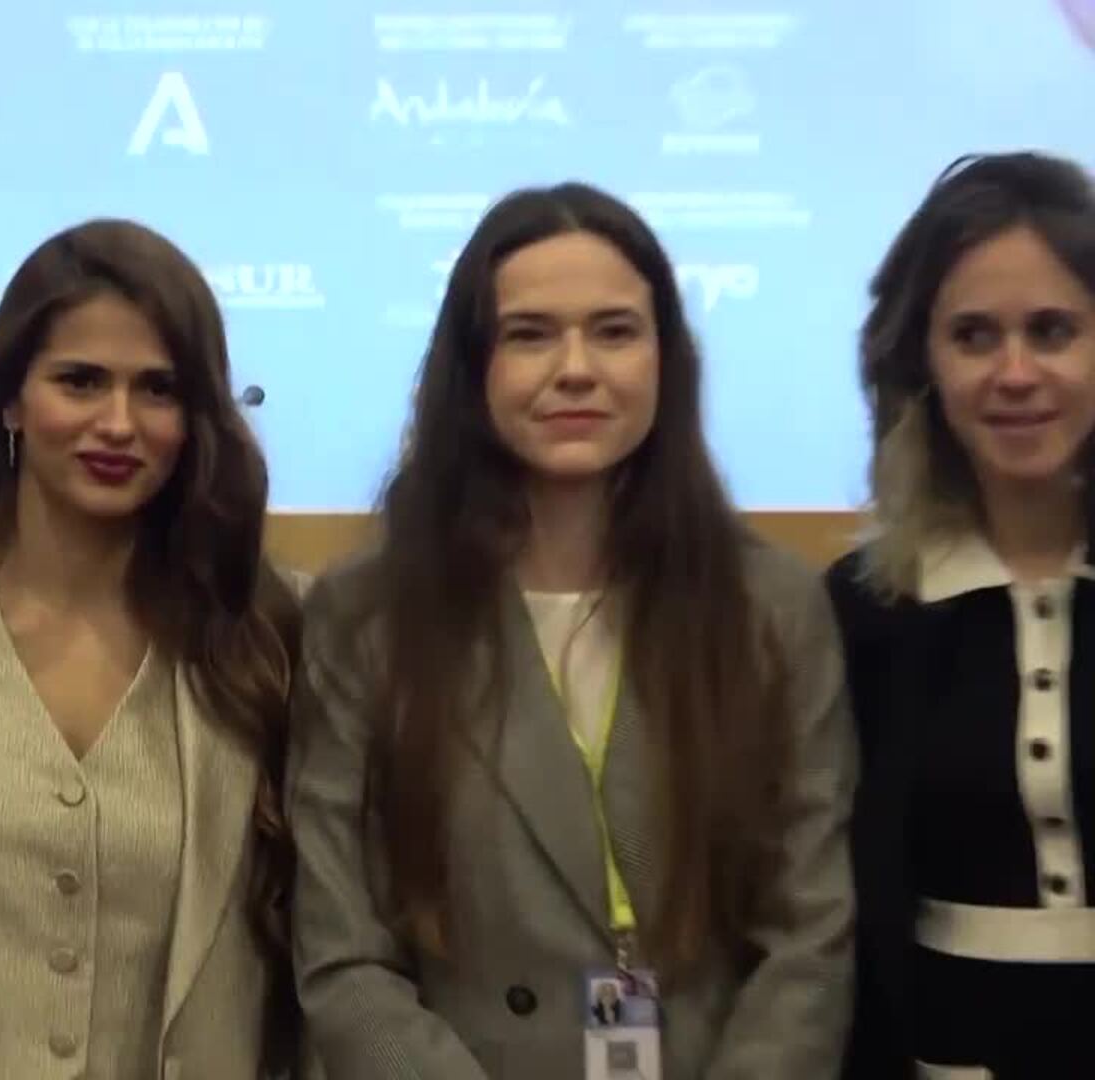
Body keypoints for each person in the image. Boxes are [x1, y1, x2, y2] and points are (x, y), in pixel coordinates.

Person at [288, 182, 857, 1077]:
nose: (577, 368)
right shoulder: (367, 617)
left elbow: (811, 935)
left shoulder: (771, 608)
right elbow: (341, 953)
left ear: (666, 358)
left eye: (615, 331)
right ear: (472, 368)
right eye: (530, 334)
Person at [0, 218, 303, 1077]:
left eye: (158, 390)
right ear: (12, 399)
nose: (118, 423)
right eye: (80, 381)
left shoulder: (269, 624)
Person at [828, 150, 1095, 1079]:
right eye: (975, 336)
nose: (1015, 373)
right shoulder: (862, 612)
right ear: (922, 365)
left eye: (1053, 331)